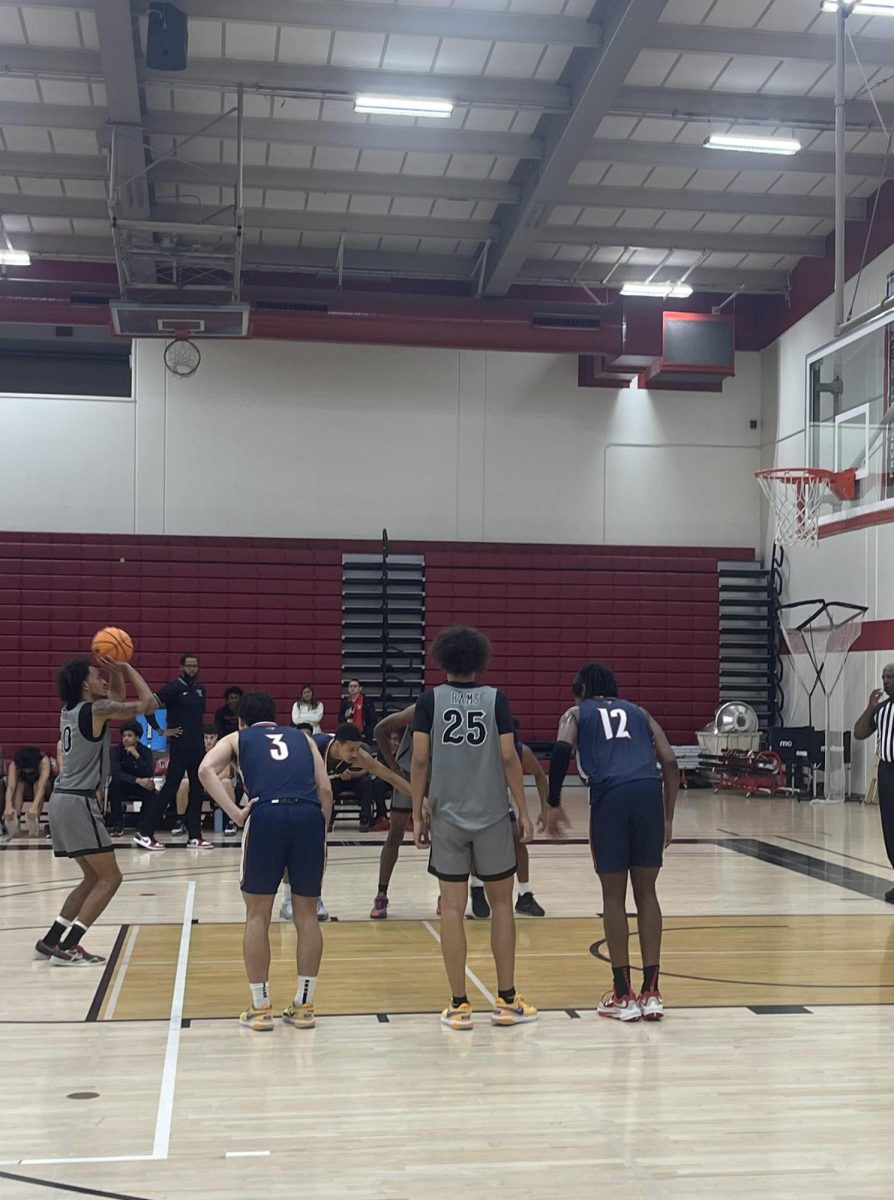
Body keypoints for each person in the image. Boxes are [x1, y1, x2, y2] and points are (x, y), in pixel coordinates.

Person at [410, 625, 538, 1030]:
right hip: (492, 816)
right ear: (479, 659)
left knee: (451, 908)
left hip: (447, 816)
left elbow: (418, 761)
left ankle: (459, 1004)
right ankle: (506, 998)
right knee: (502, 905)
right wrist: (523, 808)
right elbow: (507, 756)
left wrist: (417, 813)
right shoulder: (495, 699)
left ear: (443, 658)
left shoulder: (429, 701)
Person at [546, 663, 678, 1022]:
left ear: (582, 690)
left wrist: (552, 802)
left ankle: (623, 995)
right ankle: (652, 992)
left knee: (613, 895)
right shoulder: (640, 712)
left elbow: (560, 752)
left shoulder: (576, 713)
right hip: (649, 793)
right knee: (648, 892)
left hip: (610, 797)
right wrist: (668, 818)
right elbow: (669, 760)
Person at [198, 691, 332, 1032]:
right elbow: (325, 790)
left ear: (241, 720)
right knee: (306, 914)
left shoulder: (237, 737)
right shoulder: (304, 738)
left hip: (266, 813)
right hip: (308, 816)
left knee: (258, 914)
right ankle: (304, 1007)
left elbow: (205, 771)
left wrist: (237, 814)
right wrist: (322, 833)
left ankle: (260, 1008)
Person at [35, 655, 157, 965]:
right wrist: (129, 669)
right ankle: (69, 946)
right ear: (84, 685)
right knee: (111, 879)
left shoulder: (74, 710)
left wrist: (116, 674)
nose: (103, 679)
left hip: (63, 800)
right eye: (97, 676)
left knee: (92, 878)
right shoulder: (96, 710)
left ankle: (51, 941)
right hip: (78, 801)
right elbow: (149, 705)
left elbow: (113, 700)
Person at [277, 723, 410, 922]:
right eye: (352, 749)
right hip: (291, 792)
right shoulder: (313, 748)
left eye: (358, 749)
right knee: (291, 848)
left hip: (318, 795)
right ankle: (287, 901)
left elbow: (389, 776)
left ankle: (315, 898)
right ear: (338, 745)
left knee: (319, 849)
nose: (356, 754)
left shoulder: (357, 756)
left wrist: (419, 799)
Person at [147, 653, 211, 848]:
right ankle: (145, 831)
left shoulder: (200, 689)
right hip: (180, 746)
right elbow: (148, 707)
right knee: (171, 787)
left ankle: (195, 835)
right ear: (181, 668)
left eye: (195, 666)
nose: (192, 669)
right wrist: (161, 730)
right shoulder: (173, 688)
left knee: (198, 790)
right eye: (189, 666)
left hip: (197, 746)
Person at [853, 663, 894, 903]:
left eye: (890, 677)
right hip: (887, 770)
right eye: (884, 677)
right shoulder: (882, 710)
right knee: (890, 827)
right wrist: (870, 707)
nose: (886, 681)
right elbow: (859, 733)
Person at [107, 721, 155, 836]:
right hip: (123, 785)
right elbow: (116, 773)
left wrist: (137, 756)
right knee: (114, 784)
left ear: (137, 737)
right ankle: (117, 824)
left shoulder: (145, 752)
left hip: (140, 787)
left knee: (150, 787)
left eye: (129, 735)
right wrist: (137, 780)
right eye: (124, 736)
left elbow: (149, 772)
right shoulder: (116, 751)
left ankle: (143, 825)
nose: (126, 739)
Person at [3, 746, 52, 838]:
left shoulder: (44, 761)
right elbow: (10, 787)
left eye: (30, 769)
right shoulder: (14, 765)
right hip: (25, 785)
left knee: (37, 785)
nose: (28, 771)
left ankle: (34, 818)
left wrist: (34, 807)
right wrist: (8, 806)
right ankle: (15, 818)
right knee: (19, 785)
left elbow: (42, 787)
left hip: (42, 786)